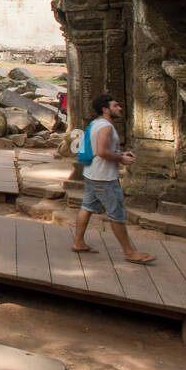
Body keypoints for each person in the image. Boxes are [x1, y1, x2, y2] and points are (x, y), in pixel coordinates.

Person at [72, 94, 154, 263]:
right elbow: (102, 151)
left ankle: (78, 242)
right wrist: (121, 159)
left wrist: (120, 154)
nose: (119, 108)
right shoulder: (106, 127)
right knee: (116, 214)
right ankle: (129, 252)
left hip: (91, 173)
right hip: (104, 178)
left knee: (87, 206)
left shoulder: (96, 123)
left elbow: (98, 149)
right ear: (105, 109)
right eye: (115, 105)